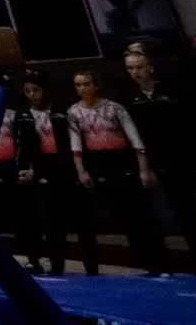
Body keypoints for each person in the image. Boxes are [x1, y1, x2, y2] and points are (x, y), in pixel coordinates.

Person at [68, 70, 167, 276]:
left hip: (123, 162)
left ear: (95, 85)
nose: (82, 89)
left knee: (142, 214)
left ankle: (161, 263)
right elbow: (76, 145)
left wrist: (144, 170)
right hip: (100, 165)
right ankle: (146, 264)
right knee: (123, 217)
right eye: (78, 85)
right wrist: (81, 171)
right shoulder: (74, 112)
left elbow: (135, 140)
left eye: (86, 84)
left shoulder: (115, 108)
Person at [123, 49, 196, 273]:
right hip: (162, 164)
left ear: (150, 67)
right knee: (182, 212)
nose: (135, 72)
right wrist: (147, 167)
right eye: (130, 68)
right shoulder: (130, 101)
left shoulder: (174, 92)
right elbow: (138, 138)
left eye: (139, 66)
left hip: (188, 158)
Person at [14, 73, 72, 275]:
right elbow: (21, 143)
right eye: (27, 91)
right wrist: (24, 168)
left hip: (60, 167)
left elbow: (68, 141)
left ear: (44, 90)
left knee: (56, 218)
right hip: (34, 169)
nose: (32, 95)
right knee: (34, 217)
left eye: (36, 90)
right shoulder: (22, 114)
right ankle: (34, 259)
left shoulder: (59, 111)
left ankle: (57, 262)